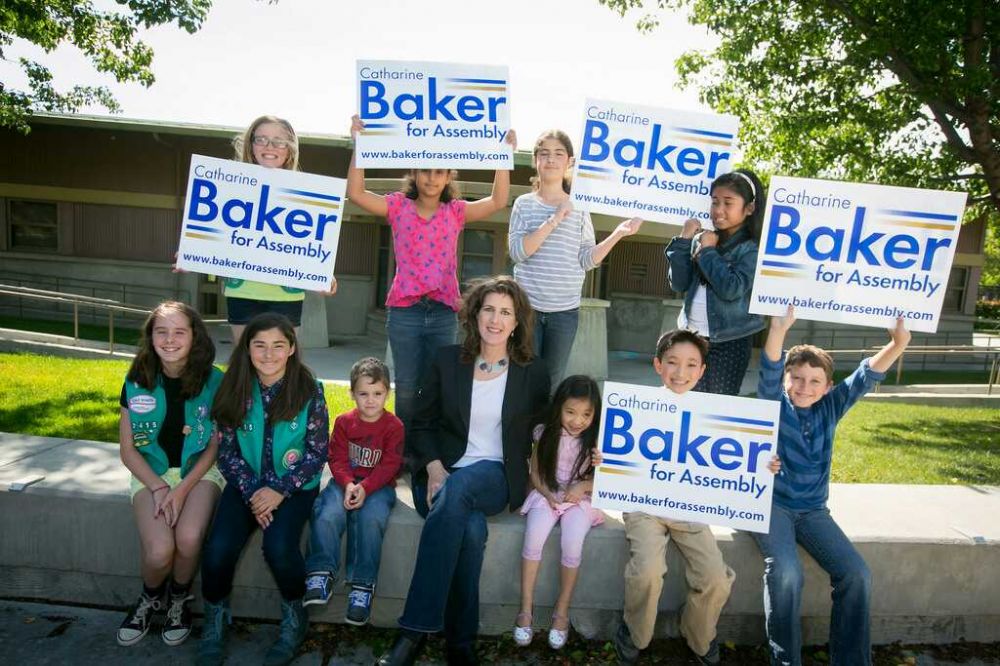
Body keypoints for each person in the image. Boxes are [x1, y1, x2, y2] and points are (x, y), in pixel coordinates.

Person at [375, 276, 550, 666]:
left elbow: (548, 428)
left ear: (517, 322)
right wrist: (435, 468)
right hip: (440, 472)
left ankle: (414, 631)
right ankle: (460, 644)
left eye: (505, 312)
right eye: (488, 309)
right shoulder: (447, 360)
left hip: (495, 475)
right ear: (474, 314)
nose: (495, 319)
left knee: (460, 490)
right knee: (470, 530)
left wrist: (588, 454)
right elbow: (421, 424)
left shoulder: (533, 371)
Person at [751, 306, 910, 665]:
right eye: (796, 378)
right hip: (772, 506)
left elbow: (866, 376)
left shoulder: (832, 407)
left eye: (814, 381)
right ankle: (786, 660)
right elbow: (770, 369)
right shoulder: (775, 404)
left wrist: (897, 344)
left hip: (813, 512)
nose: (804, 387)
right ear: (786, 380)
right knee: (786, 572)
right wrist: (777, 330)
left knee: (857, 574)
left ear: (828, 387)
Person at [346, 115, 517, 431]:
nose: (431, 178)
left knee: (438, 384)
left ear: (449, 176)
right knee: (407, 386)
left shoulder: (455, 211)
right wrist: (359, 144)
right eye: (425, 170)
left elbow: (498, 201)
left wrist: (504, 155)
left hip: (442, 311)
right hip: (405, 311)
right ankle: (406, 448)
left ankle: (431, 448)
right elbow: (356, 193)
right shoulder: (398, 207)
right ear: (414, 172)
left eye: (439, 172)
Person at [613, 329, 767, 665]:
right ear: (658, 365)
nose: (680, 372)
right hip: (644, 508)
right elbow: (619, 454)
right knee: (647, 570)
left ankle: (697, 634)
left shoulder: (713, 414)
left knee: (716, 577)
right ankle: (635, 632)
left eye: (691, 365)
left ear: (701, 371)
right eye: (672, 362)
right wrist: (605, 459)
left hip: (689, 507)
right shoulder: (636, 406)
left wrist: (763, 464)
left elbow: (738, 458)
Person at [197, 313, 329, 666]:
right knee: (218, 549)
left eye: (278, 345)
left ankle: (295, 617)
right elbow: (226, 452)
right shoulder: (234, 387)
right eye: (260, 345)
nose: (268, 354)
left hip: (294, 487)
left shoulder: (309, 390)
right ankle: (215, 619)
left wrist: (279, 491)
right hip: (247, 483)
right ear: (247, 348)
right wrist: (255, 493)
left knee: (279, 547)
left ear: (291, 349)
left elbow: (316, 454)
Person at [116, 301, 224, 647]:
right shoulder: (136, 380)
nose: (170, 339)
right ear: (150, 337)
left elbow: (214, 446)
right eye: (161, 331)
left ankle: (178, 600)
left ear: (194, 337)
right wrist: (160, 487)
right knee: (160, 550)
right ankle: (149, 599)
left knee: (189, 538)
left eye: (179, 332)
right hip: (151, 473)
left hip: (200, 472)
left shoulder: (214, 380)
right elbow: (128, 450)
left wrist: (181, 490)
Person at [508, 129, 642, 389]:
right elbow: (518, 253)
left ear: (569, 161)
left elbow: (586, 260)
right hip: (527, 309)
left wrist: (618, 234)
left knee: (551, 384)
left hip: (564, 313)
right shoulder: (524, 204)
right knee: (523, 381)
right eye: (544, 153)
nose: (551, 159)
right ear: (535, 160)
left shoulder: (579, 207)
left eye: (558, 154)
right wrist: (555, 219)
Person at [302, 356, 404, 627]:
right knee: (326, 511)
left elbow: (390, 465)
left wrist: (365, 487)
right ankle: (320, 572)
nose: (370, 400)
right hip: (344, 482)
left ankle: (362, 586)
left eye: (377, 394)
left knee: (371, 518)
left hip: (379, 486)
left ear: (387, 394)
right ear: (351, 394)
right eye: (363, 394)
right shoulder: (344, 422)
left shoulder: (394, 426)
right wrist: (348, 484)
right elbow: (336, 458)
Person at [222, 115, 337, 343]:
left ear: (290, 149)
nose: (269, 147)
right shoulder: (229, 185)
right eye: (261, 139)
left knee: (284, 361)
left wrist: (322, 272)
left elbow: (311, 241)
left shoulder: (308, 192)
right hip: (242, 290)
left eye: (279, 141)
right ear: (251, 145)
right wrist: (192, 254)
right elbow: (218, 235)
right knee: (244, 360)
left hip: (286, 294)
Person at [513, 374, 604, 650]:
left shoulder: (598, 440)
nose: (578, 421)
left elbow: (609, 480)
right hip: (548, 493)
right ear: (559, 408)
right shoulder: (545, 433)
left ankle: (561, 611)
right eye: (571, 412)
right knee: (533, 538)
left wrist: (585, 484)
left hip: (581, 499)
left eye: (586, 414)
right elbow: (535, 472)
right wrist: (548, 494)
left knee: (572, 543)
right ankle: (525, 608)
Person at [664, 169, 767, 395]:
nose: (718, 210)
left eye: (728, 203)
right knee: (683, 399)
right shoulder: (703, 239)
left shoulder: (751, 248)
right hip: (690, 336)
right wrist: (684, 240)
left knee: (716, 405)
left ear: (749, 208)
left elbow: (731, 288)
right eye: (714, 202)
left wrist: (708, 252)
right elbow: (679, 284)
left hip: (730, 341)